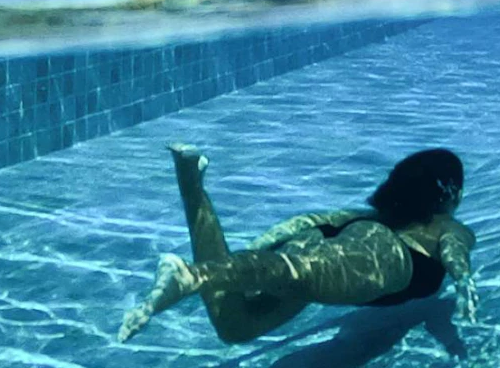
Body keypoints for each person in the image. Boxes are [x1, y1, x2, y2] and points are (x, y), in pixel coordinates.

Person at [118, 144, 477, 345]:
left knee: (235, 326)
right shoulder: (448, 225)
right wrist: (463, 284)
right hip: (388, 261)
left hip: (323, 241)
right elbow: (454, 252)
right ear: (451, 193)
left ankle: (191, 182)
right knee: (297, 275)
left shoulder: (368, 215)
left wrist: (248, 255)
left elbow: (307, 223)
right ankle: (192, 275)